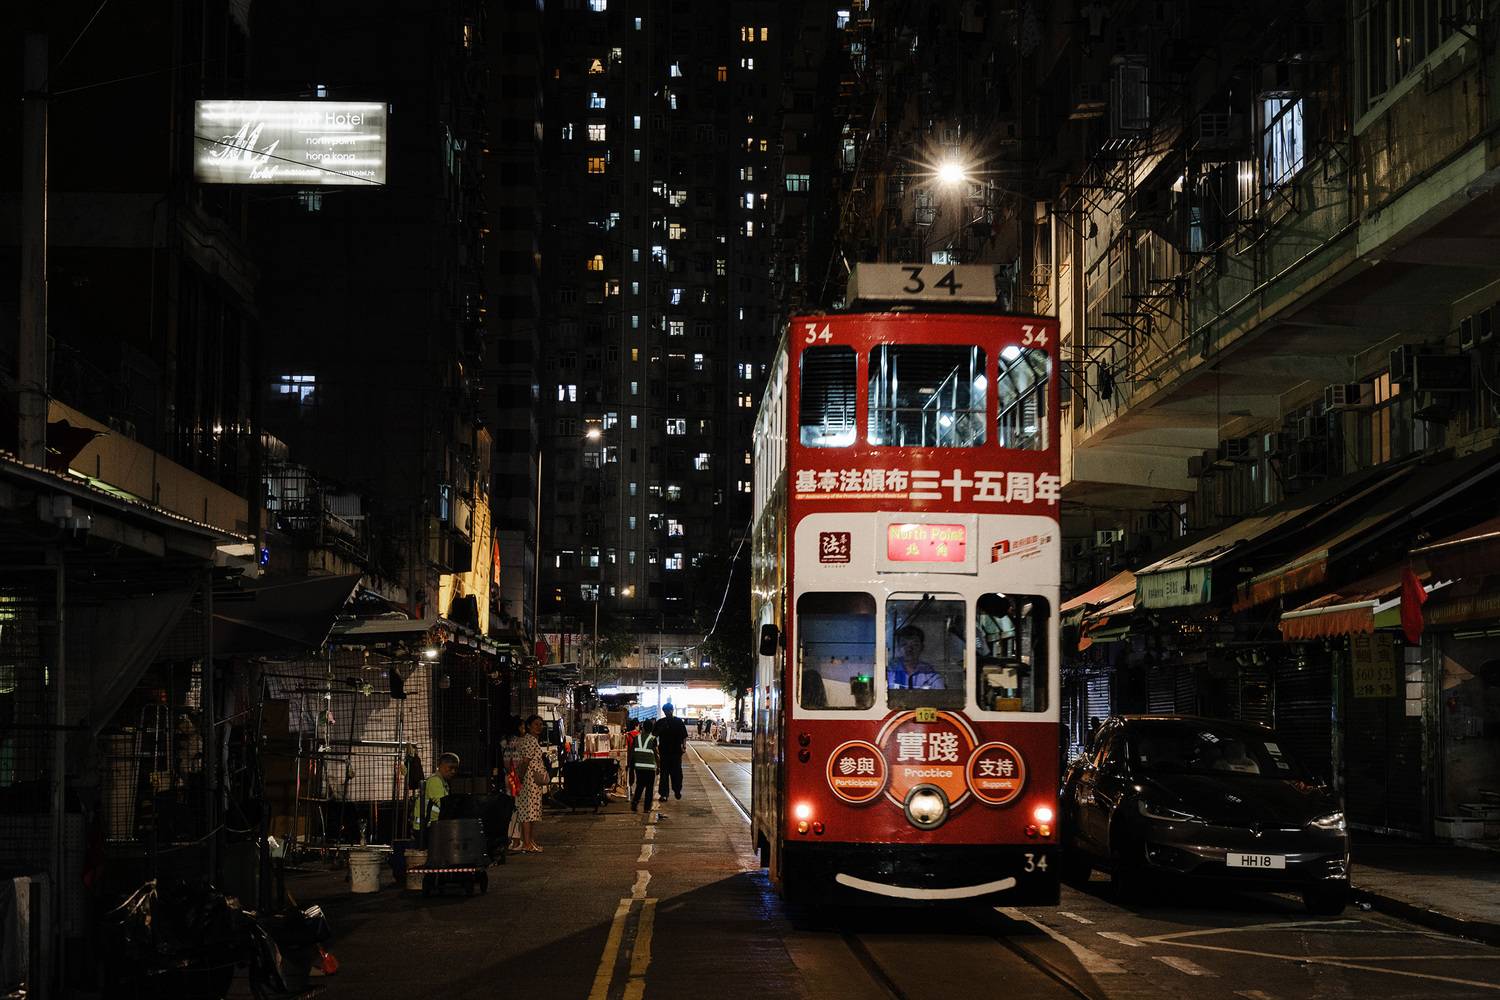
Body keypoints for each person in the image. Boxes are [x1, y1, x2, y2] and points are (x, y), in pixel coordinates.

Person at [514, 715, 549, 852]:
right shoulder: (530, 741)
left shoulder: (528, 740)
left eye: (541, 724)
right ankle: (527, 843)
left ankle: (529, 841)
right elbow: (526, 761)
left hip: (529, 780)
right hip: (529, 781)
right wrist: (521, 777)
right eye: (536, 724)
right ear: (528, 726)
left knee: (531, 812)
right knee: (529, 812)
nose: (539, 727)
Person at [412, 751, 460, 837]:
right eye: (450, 767)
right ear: (441, 765)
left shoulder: (442, 782)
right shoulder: (435, 781)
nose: (453, 771)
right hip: (428, 827)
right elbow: (444, 805)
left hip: (429, 826)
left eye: (456, 768)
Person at [888, 625, 945, 689]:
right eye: (904, 644)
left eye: (915, 645)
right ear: (898, 647)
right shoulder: (890, 672)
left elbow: (942, 696)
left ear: (922, 647)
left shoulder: (930, 675)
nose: (909, 649)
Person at [655, 704, 689, 801]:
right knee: (665, 774)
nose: (667, 712)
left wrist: (684, 746)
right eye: (666, 711)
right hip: (665, 753)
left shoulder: (678, 722)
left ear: (672, 710)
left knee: (675, 773)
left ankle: (676, 790)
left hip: (675, 753)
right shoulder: (661, 722)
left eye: (669, 710)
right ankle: (664, 794)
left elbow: (684, 736)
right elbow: (654, 736)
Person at [629, 719, 659, 812]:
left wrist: (631, 766)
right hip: (650, 768)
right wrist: (658, 766)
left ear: (643, 728)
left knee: (640, 785)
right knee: (649, 788)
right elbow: (656, 754)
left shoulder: (636, 738)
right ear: (652, 729)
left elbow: (632, 753)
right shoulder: (653, 739)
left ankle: (635, 802)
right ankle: (646, 808)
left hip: (638, 767)